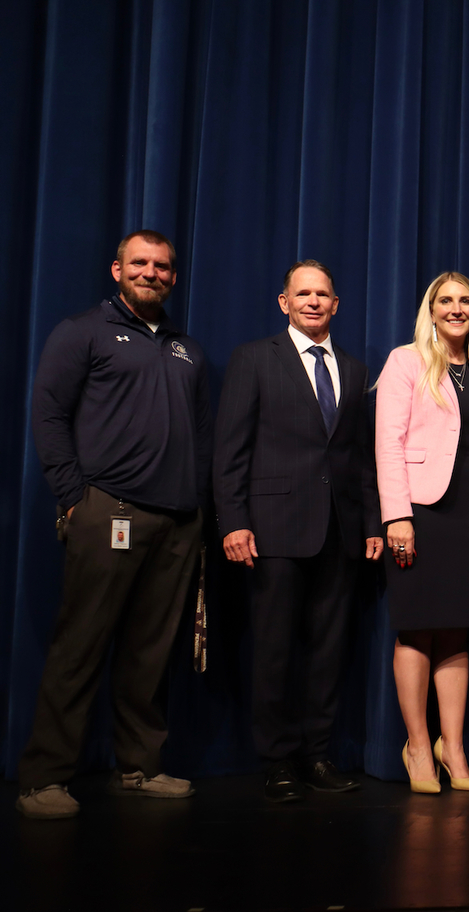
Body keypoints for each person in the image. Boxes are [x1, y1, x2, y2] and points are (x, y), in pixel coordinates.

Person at [18, 230, 209, 819]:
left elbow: (198, 433)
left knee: (151, 653)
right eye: (140, 263)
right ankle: (44, 778)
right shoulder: (83, 332)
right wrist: (76, 498)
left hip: (178, 522)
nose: (151, 272)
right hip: (109, 511)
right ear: (117, 269)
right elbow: (49, 414)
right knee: (81, 643)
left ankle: (142, 767)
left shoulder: (187, 349)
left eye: (162, 266)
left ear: (173, 277)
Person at [213, 260, 383, 802]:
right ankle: (278, 760)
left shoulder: (355, 371)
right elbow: (230, 450)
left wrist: (373, 522)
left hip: (341, 530)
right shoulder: (253, 359)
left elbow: (361, 459)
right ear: (284, 303)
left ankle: (317, 754)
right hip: (272, 529)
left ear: (336, 305)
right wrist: (234, 521)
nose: (313, 302)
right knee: (274, 648)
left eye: (323, 295)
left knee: (329, 651)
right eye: (302, 294)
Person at [375, 272, 469, 793]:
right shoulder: (404, 361)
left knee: (457, 632)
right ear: (430, 310)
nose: (456, 309)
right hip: (420, 511)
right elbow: (387, 443)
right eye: (446, 301)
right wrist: (396, 516)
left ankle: (453, 750)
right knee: (416, 628)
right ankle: (417, 746)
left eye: (466, 301)